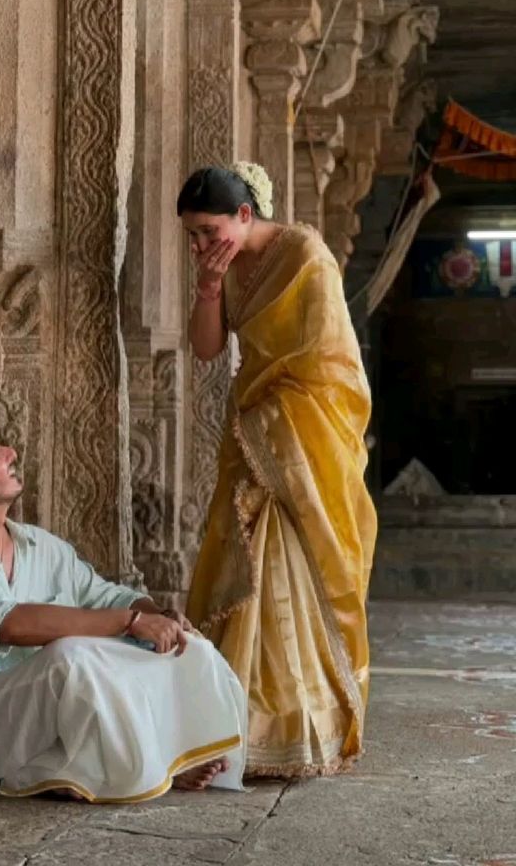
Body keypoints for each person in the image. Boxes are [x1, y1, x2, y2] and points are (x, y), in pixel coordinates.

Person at [0, 414, 246, 802]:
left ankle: (161, 754)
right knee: (70, 657)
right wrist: (130, 622)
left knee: (184, 644)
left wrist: (157, 615)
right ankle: (152, 760)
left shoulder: (40, 545)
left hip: (54, 714)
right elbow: (7, 624)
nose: (12, 453)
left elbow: (105, 596)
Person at [179, 163, 376, 777]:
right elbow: (208, 349)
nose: (202, 247)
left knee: (294, 571)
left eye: (210, 232)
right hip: (252, 436)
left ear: (245, 215)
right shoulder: (226, 268)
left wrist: (276, 422)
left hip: (301, 442)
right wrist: (208, 291)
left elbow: (331, 365)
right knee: (241, 573)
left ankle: (300, 726)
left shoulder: (307, 258)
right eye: (192, 237)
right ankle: (230, 727)